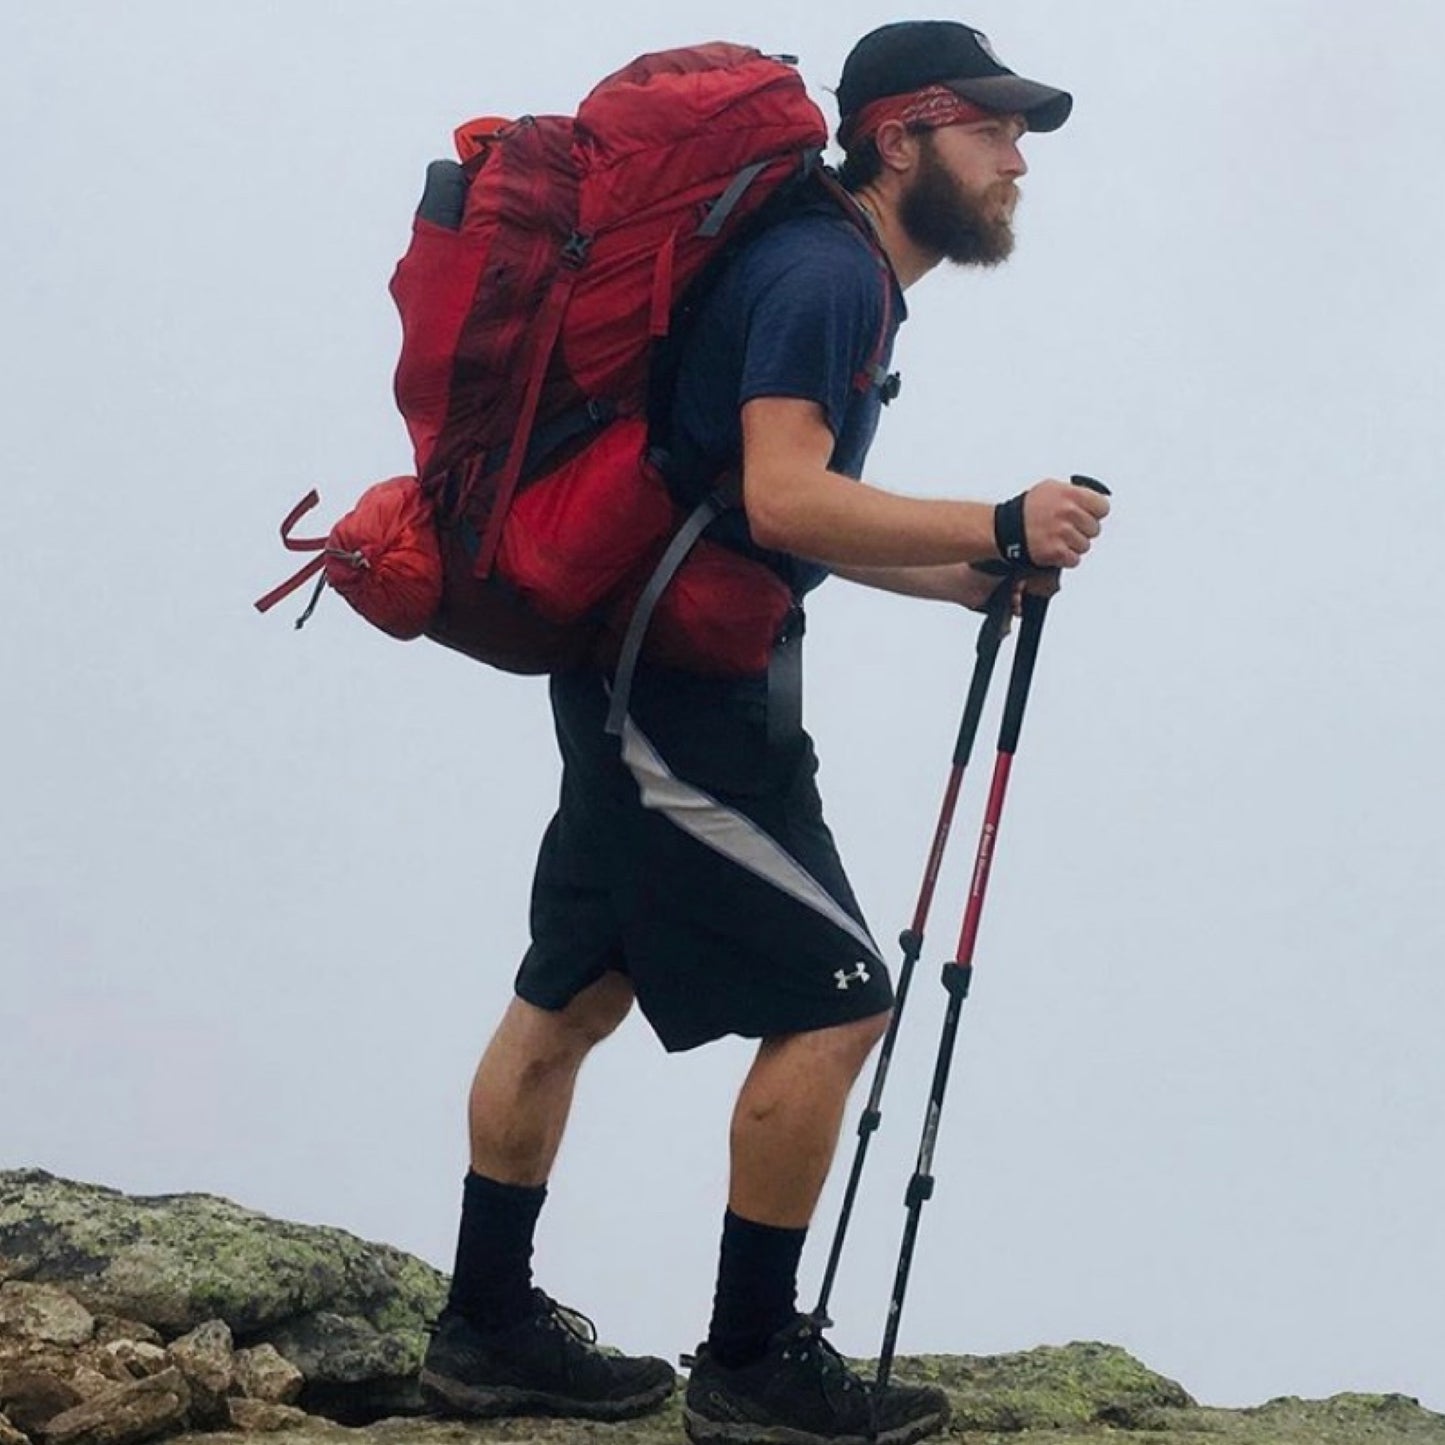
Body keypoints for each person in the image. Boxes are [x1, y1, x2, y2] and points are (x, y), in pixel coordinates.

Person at [418, 19, 1109, 1445]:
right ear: (900, 135)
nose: (1016, 154)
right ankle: (750, 1367)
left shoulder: (815, 265)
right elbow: (786, 496)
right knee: (839, 997)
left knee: (573, 992)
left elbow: (746, 504)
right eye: (990, 126)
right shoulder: (820, 274)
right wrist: (993, 519)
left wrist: (954, 573)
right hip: (681, 703)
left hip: (636, 673)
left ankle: (483, 1332)